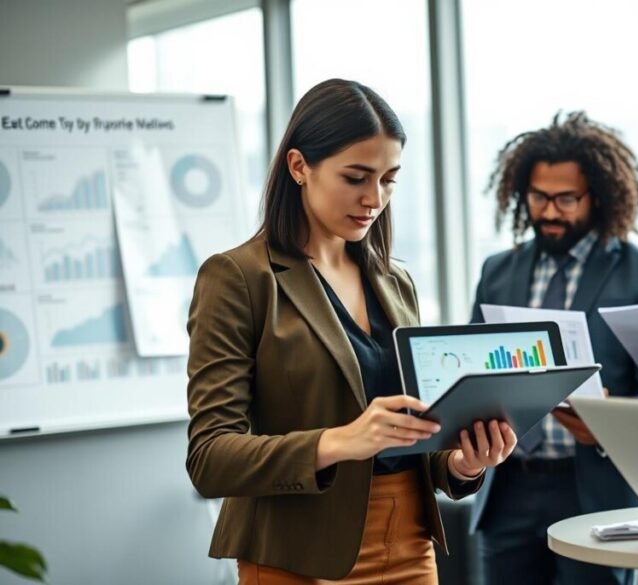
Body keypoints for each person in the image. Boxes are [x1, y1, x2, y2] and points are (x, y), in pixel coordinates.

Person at [185, 79, 517, 584]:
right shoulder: (239, 278)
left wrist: (462, 464)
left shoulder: (394, 279)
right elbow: (210, 457)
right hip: (296, 552)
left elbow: (416, 441)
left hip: (407, 540)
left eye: (388, 180)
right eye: (356, 177)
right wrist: (340, 441)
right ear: (299, 167)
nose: (374, 199)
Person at [468, 111, 638, 585]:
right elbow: (471, 374)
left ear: (598, 197)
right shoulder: (496, 271)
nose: (549, 211)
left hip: (597, 492)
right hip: (508, 490)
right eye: (539, 197)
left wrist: (609, 424)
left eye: (566, 198)